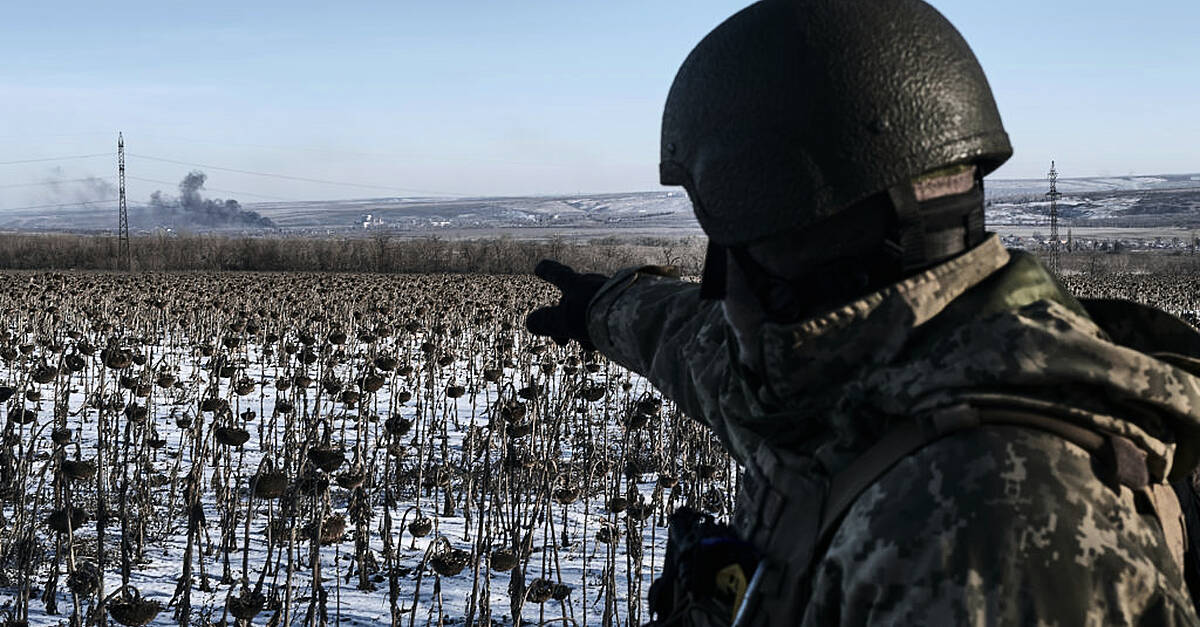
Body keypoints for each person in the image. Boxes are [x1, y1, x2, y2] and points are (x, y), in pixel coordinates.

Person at [526, 0, 1200, 624]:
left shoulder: (989, 527)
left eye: (733, 243)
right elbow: (702, 352)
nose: (721, 285)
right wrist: (605, 308)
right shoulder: (865, 377)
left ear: (791, 236)